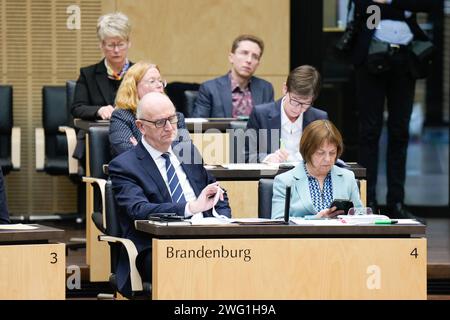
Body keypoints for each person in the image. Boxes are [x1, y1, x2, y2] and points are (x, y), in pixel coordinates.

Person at [108, 92, 231, 296]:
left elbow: (216, 191)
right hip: (159, 245)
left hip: (207, 238)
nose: (170, 127)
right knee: (194, 269)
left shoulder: (187, 151)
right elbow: (139, 209)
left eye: (172, 119)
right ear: (140, 127)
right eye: (160, 122)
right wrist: (190, 208)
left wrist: (223, 221)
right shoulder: (124, 165)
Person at [349, 0, 435, 218]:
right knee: (370, 132)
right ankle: (368, 201)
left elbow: (428, 5)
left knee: (400, 133)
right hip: (371, 57)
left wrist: (388, 3)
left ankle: (396, 202)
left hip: (405, 59)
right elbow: (366, 10)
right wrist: (398, 8)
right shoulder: (373, 11)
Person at [71, 12, 133, 161]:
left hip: (133, 136)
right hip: (98, 139)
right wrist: (99, 110)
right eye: (111, 45)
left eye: (120, 44)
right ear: (101, 45)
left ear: (129, 43)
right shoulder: (88, 74)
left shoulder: (139, 72)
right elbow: (77, 108)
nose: (116, 50)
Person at [271, 120, 362, 219]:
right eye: (320, 153)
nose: (327, 159)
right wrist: (315, 219)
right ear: (307, 151)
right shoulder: (285, 181)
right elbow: (278, 221)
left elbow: (359, 216)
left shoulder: (348, 177)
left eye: (332, 153)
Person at [245, 65, 328, 163]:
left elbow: (325, 154)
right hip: (271, 176)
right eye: (294, 101)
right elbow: (246, 154)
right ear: (285, 89)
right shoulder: (260, 114)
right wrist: (267, 158)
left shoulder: (319, 118)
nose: (297, 109)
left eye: (305, 104)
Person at [109, 61, 187, 157]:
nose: (159, 85)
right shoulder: (122, 116)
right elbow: (127, 153)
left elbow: (186, 154)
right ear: (133, 87)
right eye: (152, 81)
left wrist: (141, 149)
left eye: (160, 81)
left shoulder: (176, 117)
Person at [192, 34, 274, 118]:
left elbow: (270, 123)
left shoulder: (265, 88)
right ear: (231, 57)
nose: (249, 60)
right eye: (244, 53)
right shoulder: (210, 88)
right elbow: (197, 126)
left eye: (255, 57)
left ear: (258, 64)